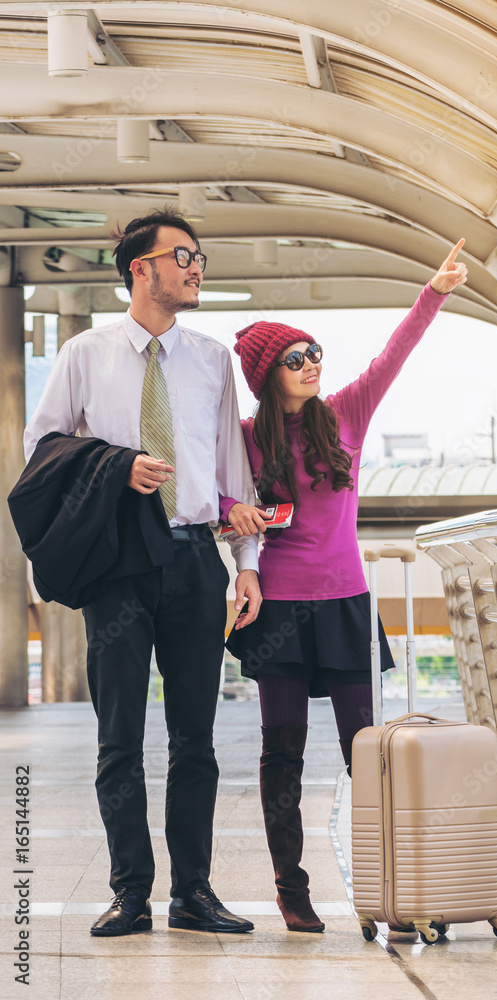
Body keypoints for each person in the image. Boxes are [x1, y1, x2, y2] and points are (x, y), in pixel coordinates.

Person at [23, 209, 262, 937]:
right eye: (182, 255)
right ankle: (131, 891)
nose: (195, 268)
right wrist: (117, 464)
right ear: (140, 269)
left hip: (194, 557)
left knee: (197, 737)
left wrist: (246, 565)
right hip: (120, 562)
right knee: (118, 736)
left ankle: (194, 891)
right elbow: (43, 454)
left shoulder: (212, 357)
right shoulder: (85, 354)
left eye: (199, 258)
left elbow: (233, 467)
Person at [222, 239, 468, 933]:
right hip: (278, 612)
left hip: (347, 607)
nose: (312, 366)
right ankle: (290, 886)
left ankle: (393, 890)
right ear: (269, 375)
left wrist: (436, 290)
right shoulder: (245, 438)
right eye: (295, 359)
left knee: (370, 753)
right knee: (283, 754)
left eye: (315, 353)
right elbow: (216, 505)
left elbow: (394, 355)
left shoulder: (348, 413)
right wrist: (230, 519)